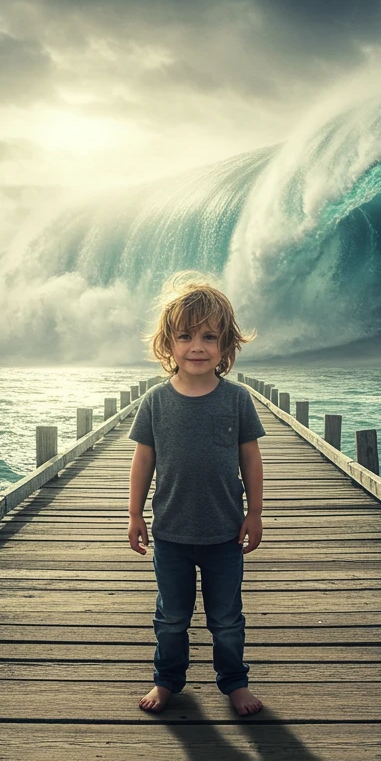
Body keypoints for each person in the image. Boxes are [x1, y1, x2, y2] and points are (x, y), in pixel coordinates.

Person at [127, 271, 267, 716]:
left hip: (225, 533)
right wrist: (134, 515)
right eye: (185, 336)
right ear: (168, 344)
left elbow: (251, 460)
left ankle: (234, 683)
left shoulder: (238, 400)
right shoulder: (155, 402)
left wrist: (255, 514)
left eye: (210, 336)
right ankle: (167, 681)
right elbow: (143, 462)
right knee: (171, 619)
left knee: (226, 620)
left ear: (227, 346)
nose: (197, 346)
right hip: (170, 533)